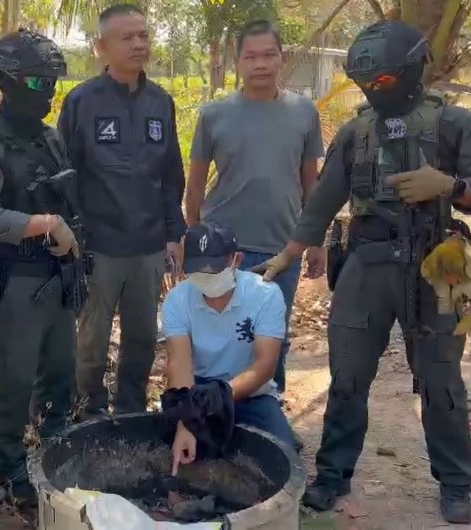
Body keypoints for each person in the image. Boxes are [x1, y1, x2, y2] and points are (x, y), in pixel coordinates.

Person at [253, 20, 471, 523]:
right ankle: (332, 475)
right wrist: (289, 253)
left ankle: (457, 480)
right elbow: (325, 198)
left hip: (443, 262)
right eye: (367, 85)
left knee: (441, 380)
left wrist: (451, 186)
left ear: (411, 70)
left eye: (384, 83)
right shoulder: (357, 131)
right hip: (367, 260)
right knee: (348, 376)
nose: (376, 92)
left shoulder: (452, 124)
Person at [0, 27, 79, 509]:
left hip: (60, 276)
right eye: (36, 83)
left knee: (60, 374)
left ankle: (58, 453)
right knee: (14, 381)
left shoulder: (50, 139)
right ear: (5, 82)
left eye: (51, 82)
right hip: (19, 280)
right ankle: (11, 468)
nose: (47, 93)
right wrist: (46, 225)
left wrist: (72, 239)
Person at [184, 19, 325, 395]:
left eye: (269, 55)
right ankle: (208, 411)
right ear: (238, 62)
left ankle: (268, 415)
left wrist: (316, 240)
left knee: (270, 336)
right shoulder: (214, 115)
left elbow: (311, 182)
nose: (260, 64)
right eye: (251, 56)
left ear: (282, 57)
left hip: (283, 245)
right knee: (217, 336)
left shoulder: (304, 112)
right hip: (222, 247)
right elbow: (195, 185)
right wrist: (192, 238)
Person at [58, 3, 186, 417]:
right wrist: (74, 239)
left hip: (148, 247)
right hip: (99, 247)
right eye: (127, 37)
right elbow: (66, 176)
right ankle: (88, 412)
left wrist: (174, 232)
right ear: (101, 47)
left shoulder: (160, 103)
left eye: (143, 36)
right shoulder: (81, 102)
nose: (138, 44)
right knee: (91, 341)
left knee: (143, 339)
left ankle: (130, 412)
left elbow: (171, 174)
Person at [164, 221, 296, 475]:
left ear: (237, 260)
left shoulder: (265, 295)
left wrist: (219, 396)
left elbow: (264, 367)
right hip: (197, 390)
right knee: (177, 456)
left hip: (251, 393)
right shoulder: (177, 300)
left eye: (214, 270)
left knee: (283, 461)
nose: (207, 279)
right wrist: (187, 418)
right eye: (198, 271)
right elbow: (179, 363)